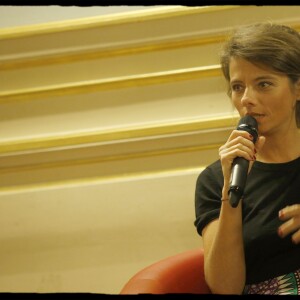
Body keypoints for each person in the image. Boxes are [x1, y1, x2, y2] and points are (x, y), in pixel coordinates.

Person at [194, 22, 300, 295]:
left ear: (297, 89)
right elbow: (225, 288)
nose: (247, 100)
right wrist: (231, 191)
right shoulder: (215, 178)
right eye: (238, 87)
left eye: (263, 84)